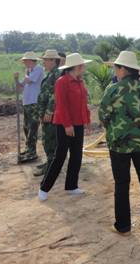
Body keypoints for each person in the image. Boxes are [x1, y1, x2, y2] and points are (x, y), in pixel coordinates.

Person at [99, 51, 140, 235]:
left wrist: (115, 130)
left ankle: (123, 226)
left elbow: (103, 116)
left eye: (116, 67)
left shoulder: (112, 90)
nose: (114, 71)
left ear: (123, 69)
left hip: (118, 145)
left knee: (121, 183)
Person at [39, 53, 91, 201]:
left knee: (76, 156)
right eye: (83, 65)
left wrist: (86, 120)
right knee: (60, 156)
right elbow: (61, 105)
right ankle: (44, 187)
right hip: (64, 124)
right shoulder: (62, 82)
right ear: (77, 67)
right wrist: (68, 125)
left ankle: (71, 186)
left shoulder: (80, 82)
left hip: (78, 124)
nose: (85, 67)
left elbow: (83, 104)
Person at [34, 49, 62, 177]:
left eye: (45, 60)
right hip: (47, 113)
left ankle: (51, 167)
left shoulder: (56, 74)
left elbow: (55, 94)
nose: (43, 63)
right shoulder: (51, 74)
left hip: (51, 114)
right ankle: (50, 162)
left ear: (53, 61)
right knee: (48, 140)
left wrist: (49, 111)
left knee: (49, 140)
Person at [14, 52, 44, 162]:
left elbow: (29, 80)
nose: (24, 63)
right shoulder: (29, 71)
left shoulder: (38, 69)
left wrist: (24, 77)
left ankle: (32, 152)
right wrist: (16, 79)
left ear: (31, 60)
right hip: (27, 102)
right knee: (26, 127)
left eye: (25, 61)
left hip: (34, 102)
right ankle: (29, 148)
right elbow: (20, 86)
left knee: (32, 127)